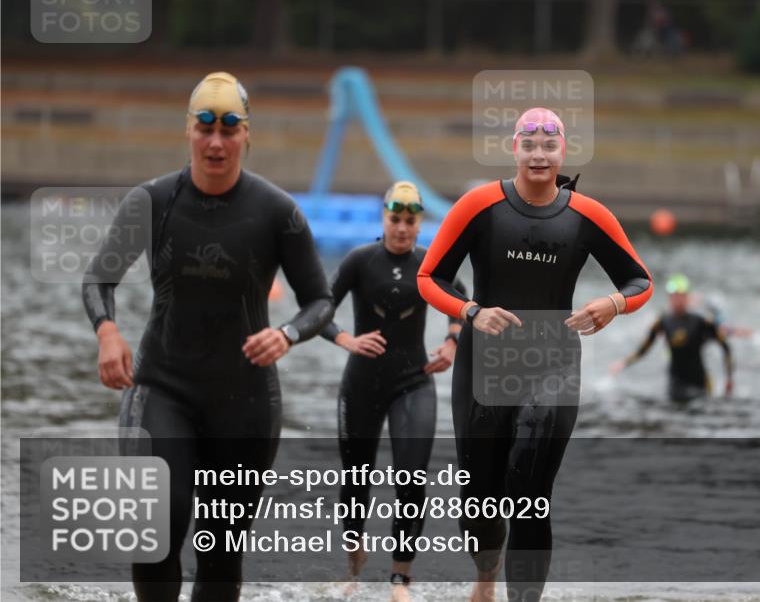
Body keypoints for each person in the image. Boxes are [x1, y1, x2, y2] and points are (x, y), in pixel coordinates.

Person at [82, 72, 333, 602]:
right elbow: (98, 278)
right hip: (162, 386)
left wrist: (286, 334)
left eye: (229, 128)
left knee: (221, 551)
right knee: (156, 528)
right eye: (205, 127)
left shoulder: (277, 211)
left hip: (244, 400)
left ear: (247, 134)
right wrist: (107, 331)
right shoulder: (151, 201)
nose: (216, 141)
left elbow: (320, 300)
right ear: (188, 131)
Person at [417, 108, 654, 602]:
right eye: (530, 144)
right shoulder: (479, 206)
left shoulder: (587, 215)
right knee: (479, 502)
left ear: (562, 152)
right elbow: (429, 277)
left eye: (549, 145)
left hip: (554, 366)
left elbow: (640, 282)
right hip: (484, 367)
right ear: (515, 149)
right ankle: (485, 578)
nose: (539, 154)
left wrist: (613, 304)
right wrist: (471, 310)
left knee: (530, 493)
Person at [320, 181, 465, 602]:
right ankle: (353, 564)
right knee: (355, 481)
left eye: (410, 221)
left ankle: (400, 578)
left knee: (412, 478)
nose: (401, 228)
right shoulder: (360, 260)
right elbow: (319, 307)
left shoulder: (430, 263)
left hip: (413, 381)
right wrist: (347, 340)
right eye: (395, 219)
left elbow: (461, 298)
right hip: (361, 384)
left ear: (420, 224)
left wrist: (452, 340)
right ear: (383, 218)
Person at [611, 273, 734, 403]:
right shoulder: (663, 322)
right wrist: (624, 363)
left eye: (681, 296)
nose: (677, 300)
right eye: (674, 296)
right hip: (676, 383)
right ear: (669, 298)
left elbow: (725, 346)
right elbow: (645, 348)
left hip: (700, 383)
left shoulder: (701, 322)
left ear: (687, 298)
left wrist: (729, 379)